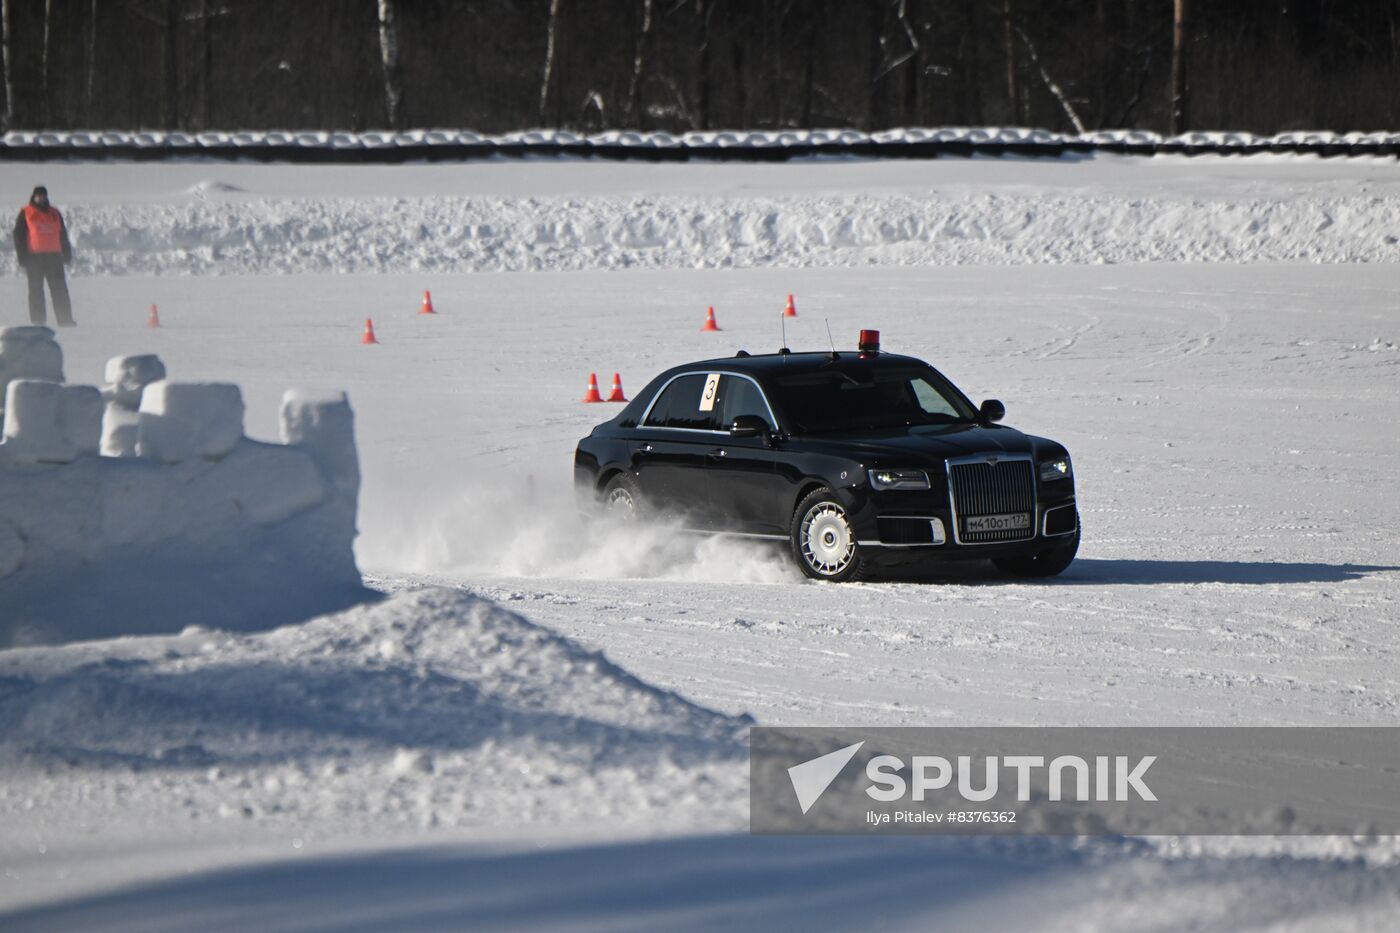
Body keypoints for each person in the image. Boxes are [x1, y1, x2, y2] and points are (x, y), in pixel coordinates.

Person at [13, 185, 74, 326]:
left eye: (43, 196)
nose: (41, 198)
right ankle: (38, 322)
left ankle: (65, 319)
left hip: (54, 257)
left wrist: (66, 252)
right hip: (34, 258)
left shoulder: (55, 213)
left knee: (60, 290)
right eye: (38, 196)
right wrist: (21, 256)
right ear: (34, 197)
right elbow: (18, 235)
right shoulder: (26, 212)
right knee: (36, 291)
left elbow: (62, 234)